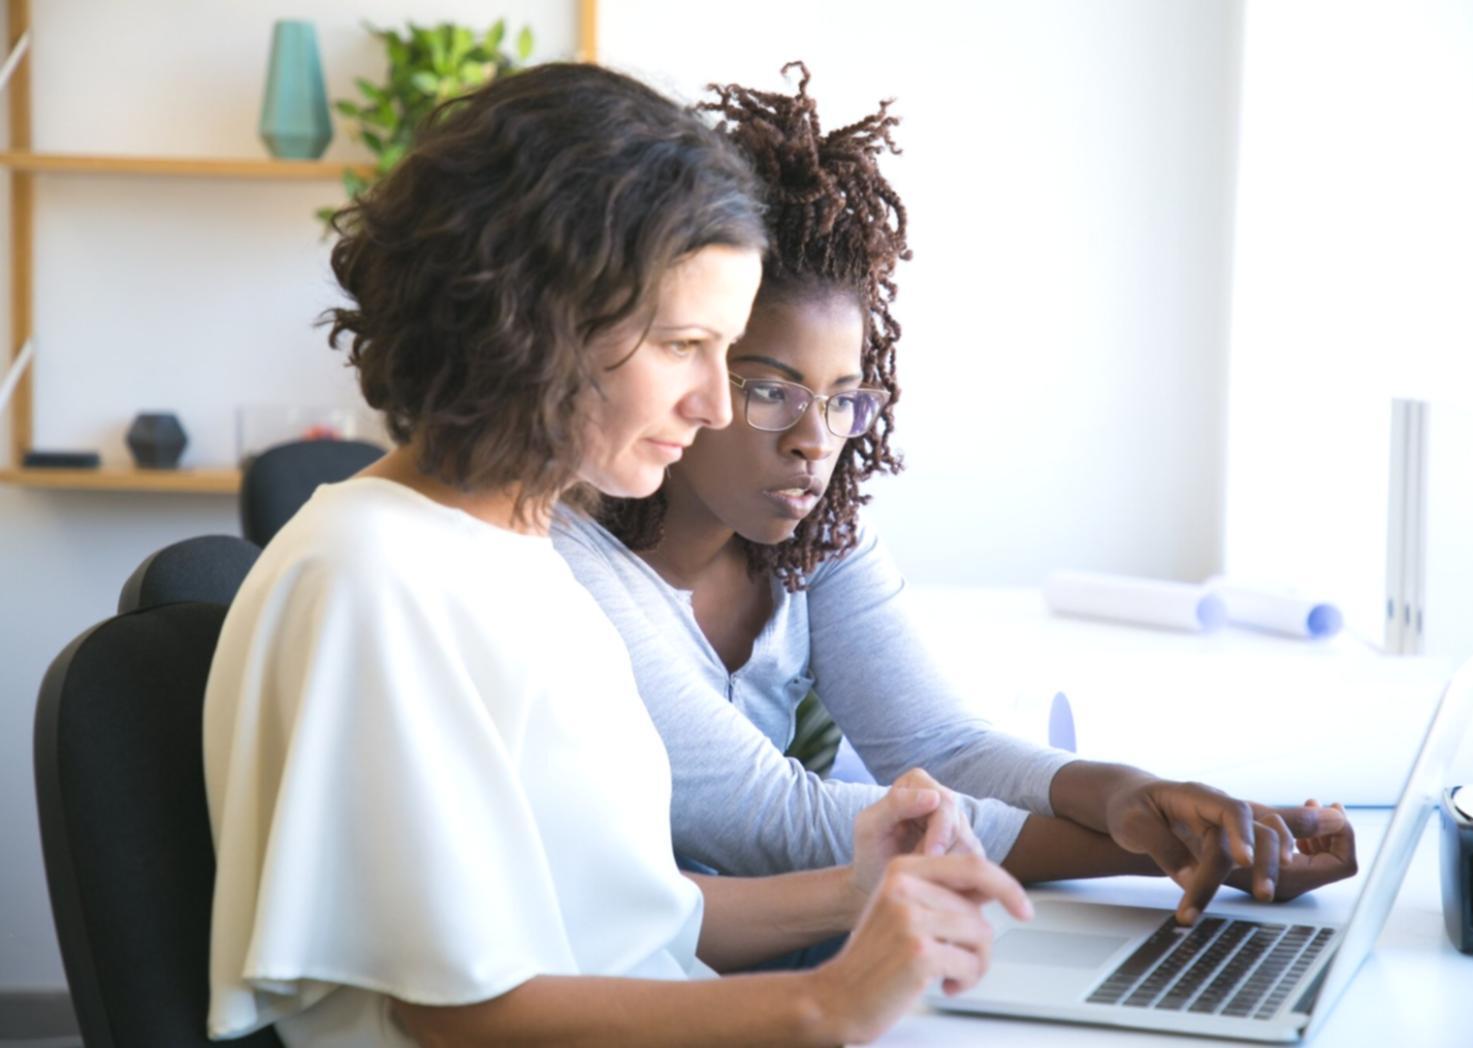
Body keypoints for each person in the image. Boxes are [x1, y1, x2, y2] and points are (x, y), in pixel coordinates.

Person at [203, 63, 1032, 1047]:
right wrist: (828, 1003)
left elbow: (638, 920)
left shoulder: (522, 554)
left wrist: (863, 885)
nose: (715, 405)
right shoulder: (374, 581)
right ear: (542, 319)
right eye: (684, 345)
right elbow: (461, 1013)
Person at [552, 64, 1357, 934]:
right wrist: (1166, 851)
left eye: (842, 399)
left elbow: (942, 749)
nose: (814, 441)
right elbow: (767, 819)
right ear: (685, 357)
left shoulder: (814, 537)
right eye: (772, 390)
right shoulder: (560, 555)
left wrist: (1134, 792)